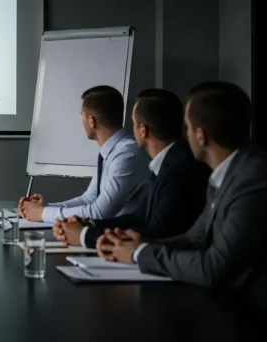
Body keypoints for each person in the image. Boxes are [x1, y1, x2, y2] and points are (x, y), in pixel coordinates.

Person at [98, 81, 267, 318]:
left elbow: (214, 268)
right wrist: (137, 244)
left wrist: (139, 254)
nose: (184, 136)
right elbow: (196, 238)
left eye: (187, 127)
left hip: (262, 319)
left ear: (200, 136)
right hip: (232, 306)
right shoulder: (230, 172)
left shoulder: (255, 179)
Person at [52, 88, 209, 248]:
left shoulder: (180, 168)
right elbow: (139, 216)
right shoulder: (168, 161)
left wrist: (85, 235)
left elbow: (158, 230)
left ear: (143, 130)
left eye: (133, 123)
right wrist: (90, 224)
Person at [19, 85, 150, 223]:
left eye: (82, 116)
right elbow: (89, 199)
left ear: (91, 121)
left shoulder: (126, 155)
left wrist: (42, 213)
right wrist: (43, 208)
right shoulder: (113, 151)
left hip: (123, 233)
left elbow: (99, 212)